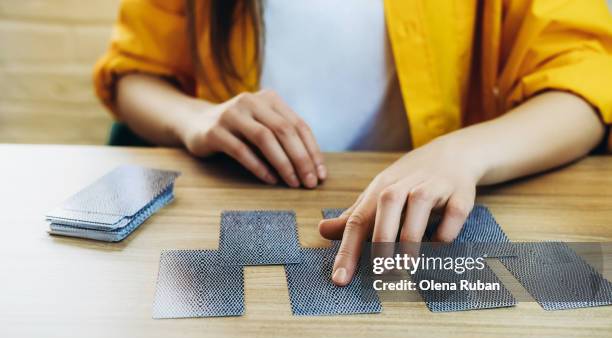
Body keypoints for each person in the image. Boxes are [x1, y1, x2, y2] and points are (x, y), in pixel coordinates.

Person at [94, 0, 612, 286]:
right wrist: (196, 118)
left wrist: (464, 153)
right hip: (236, 197)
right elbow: (135, 72)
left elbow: (589, 83)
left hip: (430, 217)